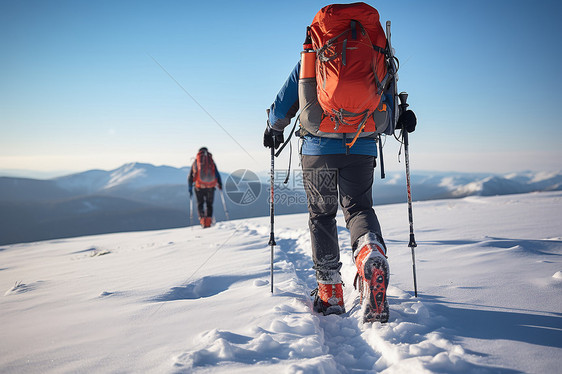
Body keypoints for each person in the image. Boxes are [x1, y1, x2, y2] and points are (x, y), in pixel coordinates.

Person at [263, 3, 416, 322]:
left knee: (321, 215)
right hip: (362, 147)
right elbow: (388, 107)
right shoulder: (377, 54)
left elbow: (285, 103)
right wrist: (404, 118)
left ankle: (330, 291)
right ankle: (370, 252)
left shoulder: (313, 56)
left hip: (318, 147)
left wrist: (274, 128)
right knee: (359, 208)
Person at [188, 147, 222, 228]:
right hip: (211, 186)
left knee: (200, 204)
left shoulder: (196, 162)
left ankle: (203, 221)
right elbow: (217, 174)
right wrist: (220, 184)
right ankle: (208, 222)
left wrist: (190, 188)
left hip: (199, 187)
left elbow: (190, 176)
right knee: (209, 204)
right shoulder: (211, 161)